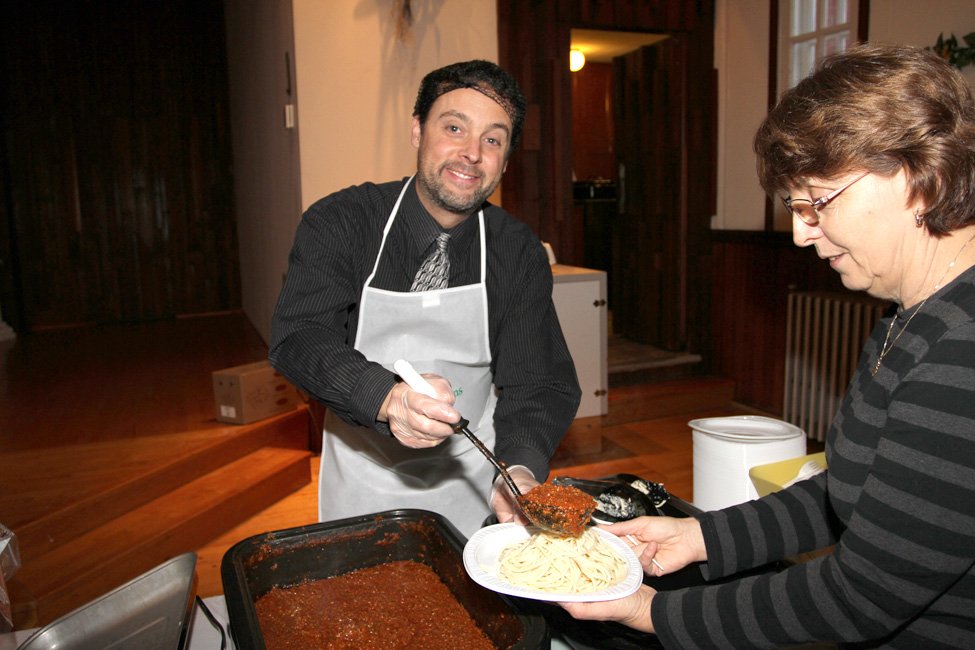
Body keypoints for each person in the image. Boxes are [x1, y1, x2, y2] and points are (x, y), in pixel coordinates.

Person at [561, 43, 975, 649]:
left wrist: (651, 611)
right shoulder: (907, 317)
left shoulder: (961, 353)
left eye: (817, 201)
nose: (801, 232)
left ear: (915, 174)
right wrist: (702, 538)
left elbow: (860, 598)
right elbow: (854, 492)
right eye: (794, 204)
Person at [268, 60, 581, 537]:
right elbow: (300, 335)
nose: (471, 153)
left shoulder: (517, 251)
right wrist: (387, 397)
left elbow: (538, 381)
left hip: (476, 482)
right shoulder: (342, 222)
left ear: (505, 161)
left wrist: (519, 468)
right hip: (362, 476)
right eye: (454, 128)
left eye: (493, 140)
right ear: (417, 130)